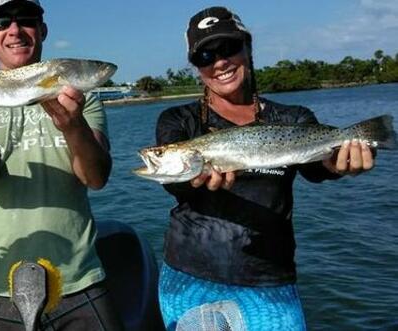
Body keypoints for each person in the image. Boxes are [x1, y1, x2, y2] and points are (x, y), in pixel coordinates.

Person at [154, 7, 376, 331]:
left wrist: (340, 164)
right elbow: (174, 183)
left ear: (248, 48)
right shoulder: (178, 121)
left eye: (228, 48)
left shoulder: (294, 117)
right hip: (189, 277)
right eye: (205, 55)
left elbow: (318, 169)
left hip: (270, 280)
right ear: (196, 66)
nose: (219, 62)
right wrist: (195, 180)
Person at [0, 0, 124, 329]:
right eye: (2, 22)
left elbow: (96, 178)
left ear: (42, 30)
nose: (15, 30)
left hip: (79, 277)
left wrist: (73, 127)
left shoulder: (82, 100)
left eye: (26, 20)